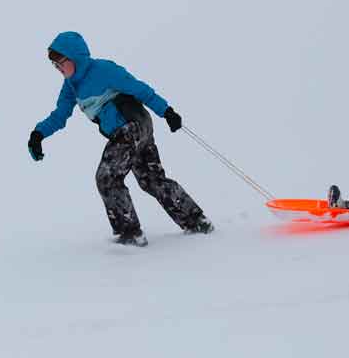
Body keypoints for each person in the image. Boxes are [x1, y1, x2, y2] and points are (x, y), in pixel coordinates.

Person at [27, 31, 213, 246]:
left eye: (60, 62)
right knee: (151, 181)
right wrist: (38, 134)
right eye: (54, 65)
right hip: (129, 131)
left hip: (131, 126)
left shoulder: (103, 70)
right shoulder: (70, 88)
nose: (58, 68)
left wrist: (167, 112)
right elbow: (60, 116)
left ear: (75, 57)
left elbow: (140, 89)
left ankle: (130, 234)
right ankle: (196, 221)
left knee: (107, 177)